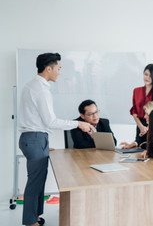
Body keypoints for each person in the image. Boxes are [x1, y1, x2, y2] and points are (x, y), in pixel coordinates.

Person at [18, 53, 95, 226]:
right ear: (48, 69)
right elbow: (51, 121)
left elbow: (37, 120)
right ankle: (30, 222)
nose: (60, 73)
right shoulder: (41, 90)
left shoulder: (32, 85)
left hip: (36, 138)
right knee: (35, 182)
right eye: (58, 68)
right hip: (35, 138)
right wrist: (79, 124)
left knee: (39, 180)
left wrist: (43, 142)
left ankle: (35, 216)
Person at [122, 64, 153, 149]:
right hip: (140, 124)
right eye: (146, 74)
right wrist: (141, 127)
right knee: (139, 147)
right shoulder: (136, 91)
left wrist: (148, 128)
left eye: (151, 75)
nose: (147, 78)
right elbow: (134, 111)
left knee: (152, 148)